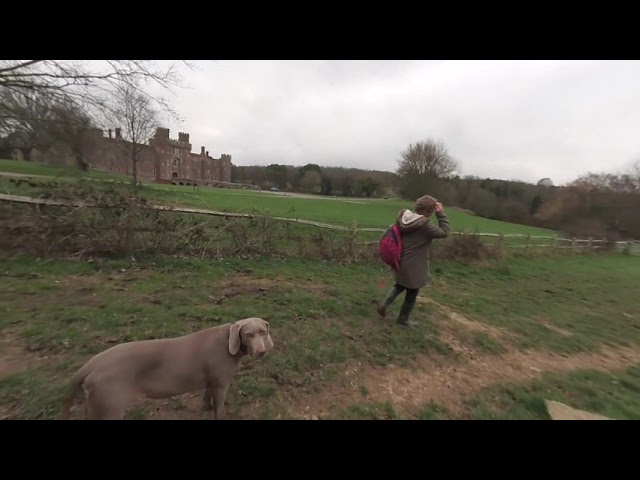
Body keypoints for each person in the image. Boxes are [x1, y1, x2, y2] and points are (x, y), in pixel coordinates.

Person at [377, 195, 450, 327]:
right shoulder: (425, 225)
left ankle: (383, 305)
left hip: (401, 261)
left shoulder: (404, 219)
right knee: (412, 292)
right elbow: (444, 232)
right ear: (429, 211)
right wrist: (441, 214)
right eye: (432, 211)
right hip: (414, 266)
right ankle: (403, 319)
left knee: (399, 286)